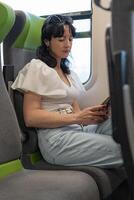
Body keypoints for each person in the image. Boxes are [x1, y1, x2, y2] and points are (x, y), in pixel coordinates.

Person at [11, 14, 123, 168]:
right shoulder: (37, 68)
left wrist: (93, 116)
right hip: (56, 139)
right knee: (124, 149)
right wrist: (78, 117)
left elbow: (75, 110)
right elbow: (31, 117)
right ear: (46, 41)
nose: (67, 44)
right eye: (61, 39)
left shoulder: (69, 73)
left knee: (122, 128)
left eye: (70, 39)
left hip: (77, 130)